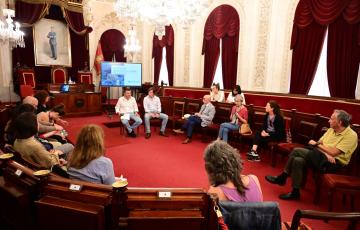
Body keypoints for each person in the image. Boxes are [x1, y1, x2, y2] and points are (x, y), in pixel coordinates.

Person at [265, 110, 358, 200]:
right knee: (298, 160)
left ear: (340, 122)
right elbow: (317, 145)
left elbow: (332, 151)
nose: (329, 120)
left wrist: (319, 146)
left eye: (332, 119)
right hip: (322, 156)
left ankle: (283, 177)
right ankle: (295, 192)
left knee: (297, 151)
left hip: (335, 164)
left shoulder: (351, 135)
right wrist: (326, 152)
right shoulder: (331, 130)